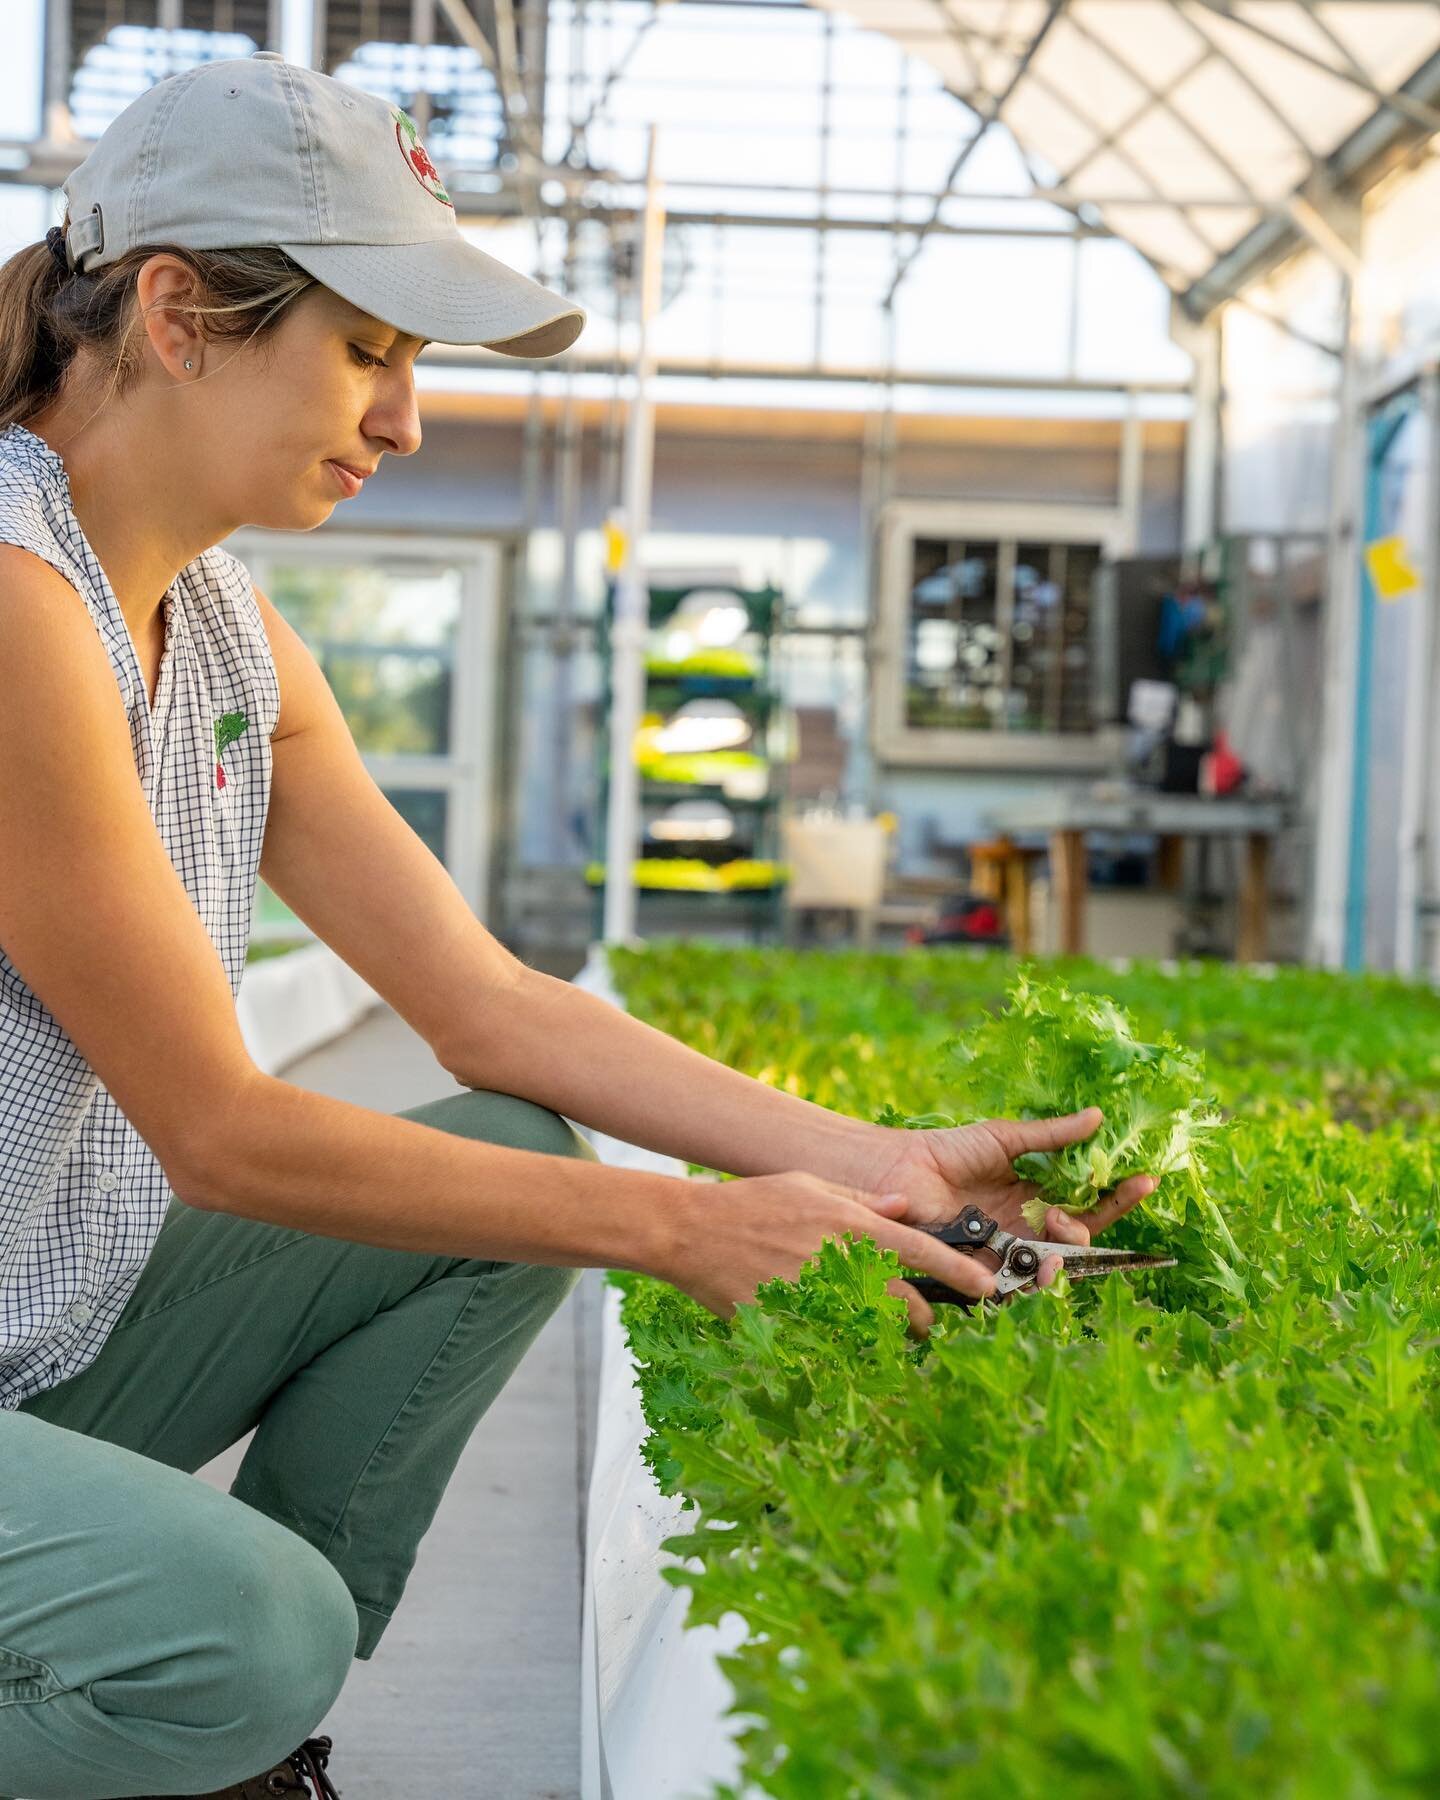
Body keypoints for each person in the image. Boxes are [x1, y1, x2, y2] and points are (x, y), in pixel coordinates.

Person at [0, 52, 1154, 1800]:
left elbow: (486, 1006)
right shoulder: (15, 610)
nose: (402, 423)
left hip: (44, 1344)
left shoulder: (220, 632)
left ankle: (239, 1760)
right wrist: (677, 1228)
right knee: (243, 1630)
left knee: (505, 1159)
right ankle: (219, 1693)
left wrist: (880, 1167)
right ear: (176, 312)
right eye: (369, 352)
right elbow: (220, 1132)